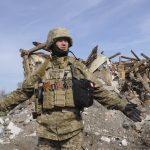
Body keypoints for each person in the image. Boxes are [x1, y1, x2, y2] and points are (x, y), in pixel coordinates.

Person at [0, 27, 142, 150]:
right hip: (46, 131)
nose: (64, 43)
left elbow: (99, 90)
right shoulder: (42, 69)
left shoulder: (76, 66)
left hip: (72, 131)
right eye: (60, 40)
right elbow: (22, 93)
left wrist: (123, 106)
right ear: (51, 43)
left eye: (66, 40)